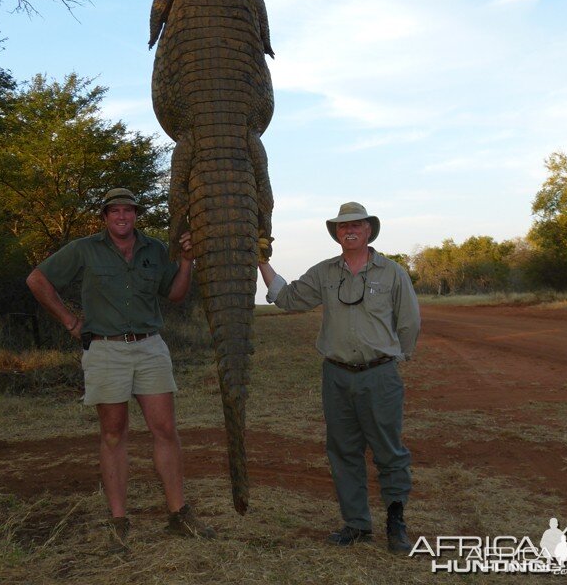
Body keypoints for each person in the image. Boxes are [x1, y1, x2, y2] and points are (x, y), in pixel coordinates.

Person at [26, 187, 215, 553]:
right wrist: (68, 320)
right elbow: (37, 279)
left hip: (150, 347)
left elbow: (175, 295)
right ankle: (118, 520)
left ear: (136, 215)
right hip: (105, 349)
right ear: (105, 216)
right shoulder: (84, 248)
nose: (122, 217)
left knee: (165, 430)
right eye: (115, 211)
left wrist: (188, 261)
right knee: (114, 434)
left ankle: (178, 514)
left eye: (128, 210)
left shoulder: (157, 249)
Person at [258, 201, 421, 553]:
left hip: (379, 375)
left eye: (356, 226)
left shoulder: (392, 272)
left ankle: (396, 522)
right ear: (336, 234)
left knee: (389, 452)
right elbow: (289, 299)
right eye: (342, 227)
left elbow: (409, 322)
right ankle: (357, 524)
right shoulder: (324, 273)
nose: (349, 231)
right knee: (343, 451)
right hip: (336, 376)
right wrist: (262, 263)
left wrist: (395, 358)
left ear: (368, 231)